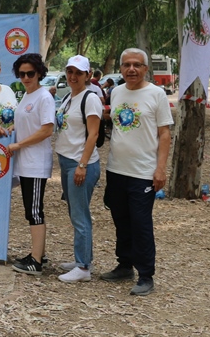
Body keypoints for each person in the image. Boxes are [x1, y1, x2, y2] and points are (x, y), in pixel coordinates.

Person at [99, 47, 172, 297]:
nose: (131, 69)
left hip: (143, 172)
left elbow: (164, 133)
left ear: (145, 68)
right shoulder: (116, 92)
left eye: (137, 65)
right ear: (120, 68)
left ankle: (146, 274)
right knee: (121, 220)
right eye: (127, 64)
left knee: (141, 223)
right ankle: (124, 264)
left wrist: (160, 168)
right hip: (116, 169)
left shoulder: (156, 94)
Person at [53, 56, 103, 283]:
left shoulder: (90, 99)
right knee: (75, 212)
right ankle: (83, 258)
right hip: (66, 161)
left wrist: (82, 164)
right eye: (70, 71)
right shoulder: (68, 97)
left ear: (87, 75)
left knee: (80, 215)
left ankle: (83, 268)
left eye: (79, 73)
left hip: (80, 163)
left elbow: (93, 134)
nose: (73, 76)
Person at [7, 53, 55, 276]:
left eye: (30, 73)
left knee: (34, 211)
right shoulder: (26, 97)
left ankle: (36, 261)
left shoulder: (44, 97)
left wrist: (19, 145)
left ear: (39, 74)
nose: (26, 77)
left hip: (36, 162)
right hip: (25, 162)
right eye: (22, 73)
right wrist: (12, 133)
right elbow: (26, 125)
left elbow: (47, 130)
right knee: (30, 210)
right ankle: (38, 254)